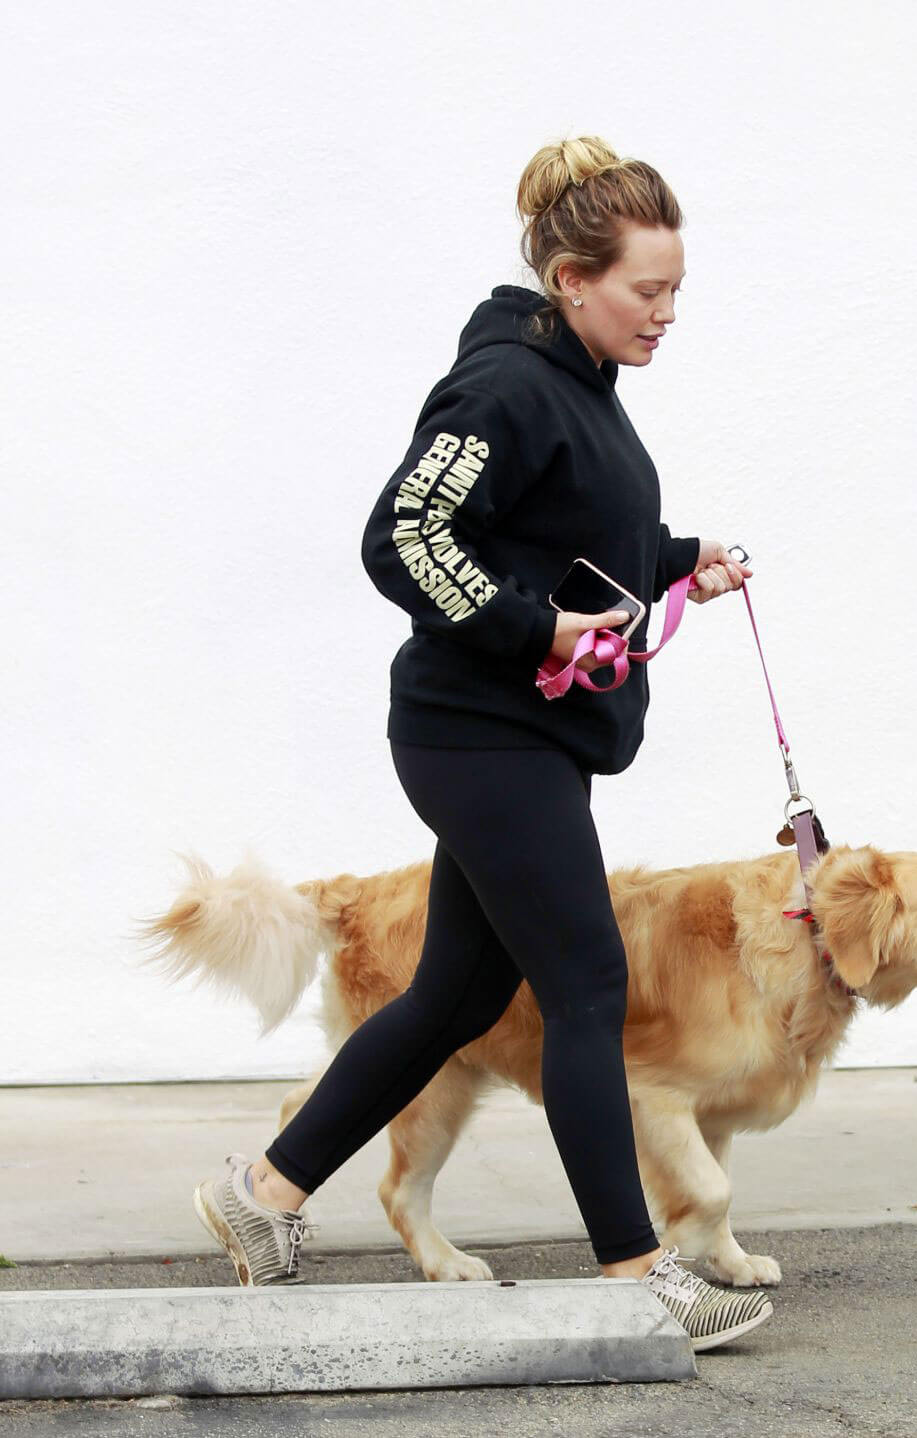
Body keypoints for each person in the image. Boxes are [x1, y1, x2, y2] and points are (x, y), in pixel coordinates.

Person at [192, 135, 771, 1353]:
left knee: (455, 990)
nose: (667, 314)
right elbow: (404, 533)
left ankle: (264, 1195)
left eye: (677, 291)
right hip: (477, 735)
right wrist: (529, 625)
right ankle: (635, 1274)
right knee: (588, 985)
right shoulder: (503, 385)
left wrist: (679, 562)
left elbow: (563, 531)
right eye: (645, 291)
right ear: (571, 278)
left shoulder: (582, 388)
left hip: (523, 738)